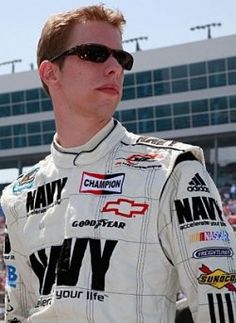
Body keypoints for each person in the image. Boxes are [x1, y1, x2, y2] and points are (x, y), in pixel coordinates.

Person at [1, 4, 236, 323]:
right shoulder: (18, 196)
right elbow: (17, 314)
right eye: (95, 53)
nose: (114, 67)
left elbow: (222, 307)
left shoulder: (174, 171)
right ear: (50, 72)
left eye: (121, 58)